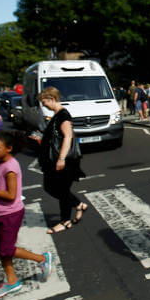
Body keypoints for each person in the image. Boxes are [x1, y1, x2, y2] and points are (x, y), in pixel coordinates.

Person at [0, 131, 53, 298]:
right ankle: (11, 281)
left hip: (10, 213)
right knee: (2, 249)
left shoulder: (10, 167)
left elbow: (11, 195)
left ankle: (41, 259)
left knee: (6, 248)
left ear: (8, 148)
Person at [38, 87, 87, 234]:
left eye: (44, 102)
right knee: (53, 188)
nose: (43, 105)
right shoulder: (56, 115)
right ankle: (78, 205)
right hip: (55, 160)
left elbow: (68, 136)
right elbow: (56, 138)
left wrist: (62, 159)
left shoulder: (63, 115)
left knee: (60, 190)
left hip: (64, 161)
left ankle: (65, 221)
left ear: (52, 99)